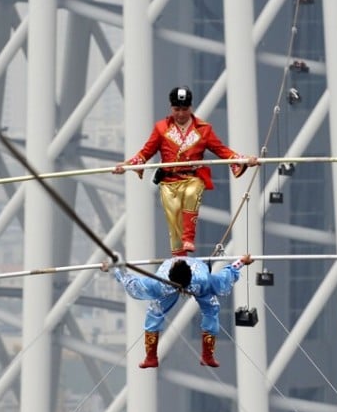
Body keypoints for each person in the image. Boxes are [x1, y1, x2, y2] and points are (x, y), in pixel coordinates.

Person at [113, 86, 258, 256]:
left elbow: (222, 151)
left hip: (192, 177)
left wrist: (243, 160)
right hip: (169, 181)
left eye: (184, 109)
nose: (181, 113)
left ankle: (189, 238)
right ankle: (179, 259)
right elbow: (146, 152)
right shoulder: (161, 128)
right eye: (177, 109)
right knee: (174, 219)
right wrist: (127, 165)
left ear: (191, 108)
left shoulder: (204, 129)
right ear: (171, 108)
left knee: (192, 192)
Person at [101, 253, 254, 368]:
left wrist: (115, 271)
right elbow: (224, 277)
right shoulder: (202, 279)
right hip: (197, 287)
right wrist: (241, 261)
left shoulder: (161, 282)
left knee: (154, 315)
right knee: (211, 311)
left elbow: (133, 284)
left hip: (173, 289)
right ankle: (207, 356)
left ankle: (151, 357)